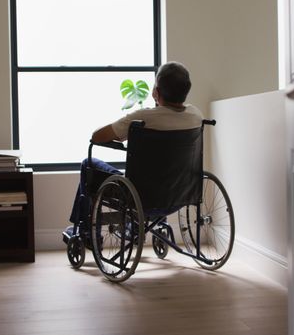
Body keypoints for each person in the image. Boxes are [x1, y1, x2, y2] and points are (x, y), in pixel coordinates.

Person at [67, 61, 203, 230]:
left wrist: (122, 136)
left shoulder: (143, 117)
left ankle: (84, 231)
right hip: (181, 195)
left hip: (140, 197)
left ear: (156, 92)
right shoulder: (196, 116)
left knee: (88, 164)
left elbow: (97, 136)